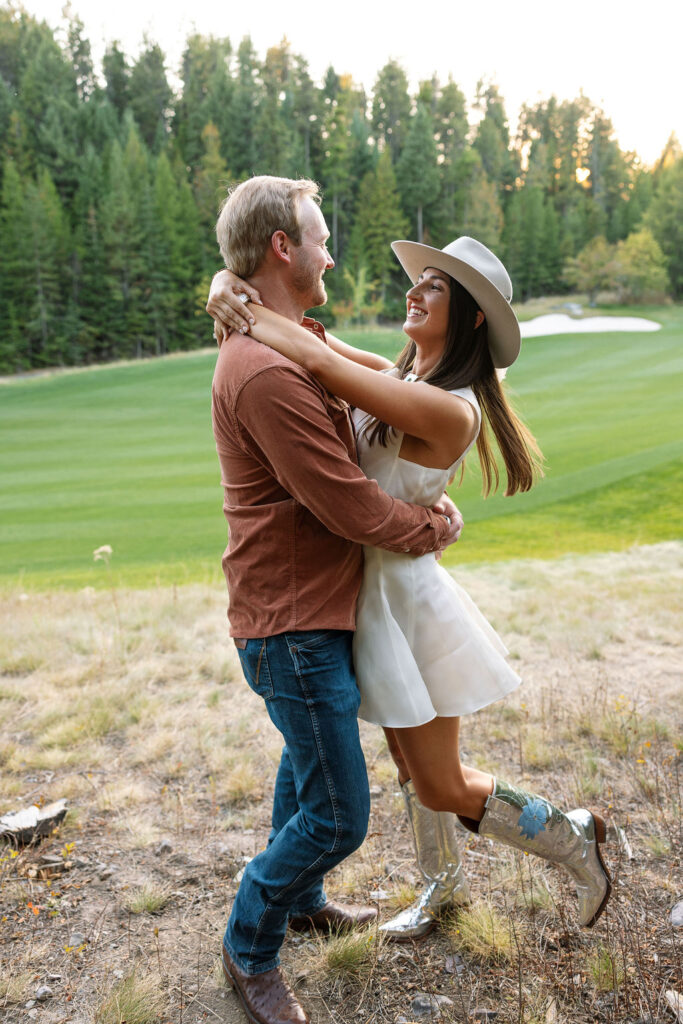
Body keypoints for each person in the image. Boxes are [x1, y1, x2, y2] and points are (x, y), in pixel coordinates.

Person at [211, 234, 612, 938]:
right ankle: (441, 890)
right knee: (404, 759)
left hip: (404, 604)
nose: (414, 290)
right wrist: (225, 284)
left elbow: (314, 356)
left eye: (433, 286)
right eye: (417, 280)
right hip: (361, 597)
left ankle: (574, 840)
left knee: (440, 782)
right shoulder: (405, 380)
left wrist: (232, 297)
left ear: (472, 316)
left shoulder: (450, 407)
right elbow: (321, 350)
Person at [209, 175, 464, 1024]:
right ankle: (249, 947)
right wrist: (433, 527)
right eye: (319, 237)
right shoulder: (265, 372)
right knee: (338, 812)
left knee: (307, 758)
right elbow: (348, 507)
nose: (330, 252)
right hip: (290, 621)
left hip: (312, 610)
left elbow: (354, 373)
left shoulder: (289, 342)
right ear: (283, 247)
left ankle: (305, 899)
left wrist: (229, 292)